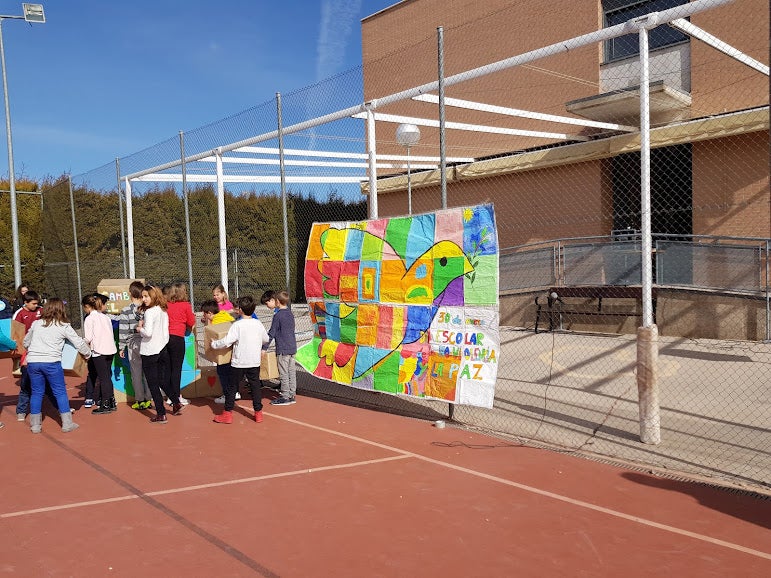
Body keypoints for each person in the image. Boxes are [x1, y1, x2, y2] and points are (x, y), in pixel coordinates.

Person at [23, 298, 91, 434]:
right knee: (60, 391)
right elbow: (78, 342)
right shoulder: (63, 325)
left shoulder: (37, 324)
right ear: (61, 309)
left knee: (36, 392)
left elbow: (26, 342)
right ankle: (67, 423)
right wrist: (87, 353)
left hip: (33, 362)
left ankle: (35, 425)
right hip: (51, 362)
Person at [209, 295, 269, 424]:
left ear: (240, 309)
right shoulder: (258, 323)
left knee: (232, 387)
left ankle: (227, 414)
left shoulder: (237, 325)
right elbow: (266, 339)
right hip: (254, 361)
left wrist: (214, 344)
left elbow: (227, 341)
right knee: (255, 386)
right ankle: (258, 413)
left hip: (239, 362)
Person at [137, 285, 179, 424]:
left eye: (146, 296)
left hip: (150, 351)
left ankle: (161, 414)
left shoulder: (150, 312)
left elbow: (148, 333)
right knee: (163, 381)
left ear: (153, 296)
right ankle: (176, 402)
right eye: (142, 297)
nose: (143, 299)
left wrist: (139, 329)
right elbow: (165, 333)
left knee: (153, 384)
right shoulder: (162, 311)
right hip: (162, 349)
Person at [13, 290, 46, 421]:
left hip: (42, 350)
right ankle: (21, 410)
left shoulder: (41, 311)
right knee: (26, 384)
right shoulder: (19, 314)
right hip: (26, 352)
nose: (35, 306)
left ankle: (61, 408)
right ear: (25, 303)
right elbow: (15, 333)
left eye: (37, 303)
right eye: (33, 303)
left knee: (48, 383)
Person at [119, 281, 152, 410]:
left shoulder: (126, 310)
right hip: (146, 342)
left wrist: (121, 347)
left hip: (133, 343)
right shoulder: (148, 309)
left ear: (130, 293)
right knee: (148, 372)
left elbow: (123, 330)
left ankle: (139, 400)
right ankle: (149, 398)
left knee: (136, 373)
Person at [82, 294, 118, 415]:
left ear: (87, 306)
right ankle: (111, 401)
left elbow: (88, 338)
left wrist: (81, 343)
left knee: (103, 378)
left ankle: (105, 404)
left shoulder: (89, 318)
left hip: (98, 351)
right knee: (107, 376)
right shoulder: (105, 317)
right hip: (110, 349)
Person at [200, 299, 239, 404]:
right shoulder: (225, 315)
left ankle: (227, 395)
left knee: (222, 373)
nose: (204, 316)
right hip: (233, 352)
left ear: (209, 313)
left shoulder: (216, 323)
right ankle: (236, 392)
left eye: (204, 314)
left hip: (222, 353)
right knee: (232, 373)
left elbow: (212, 335)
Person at [263, 291, 298, 406]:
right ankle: (292, 394)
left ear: (277, 301)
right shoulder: (289, 313)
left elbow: (272, 333)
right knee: (291, 371)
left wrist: (264, 347)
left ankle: (285, 396)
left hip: (283, 348)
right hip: (292, 347)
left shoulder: (278, 315)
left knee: (283, 373)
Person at [165, 282, 195, 407]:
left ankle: (169, 395)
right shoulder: (185, 305)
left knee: (168, 368)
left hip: (165, 338)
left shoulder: (166, 305)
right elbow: (191, 320)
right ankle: (176, 397)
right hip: (177, 338)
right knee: (176, 369)